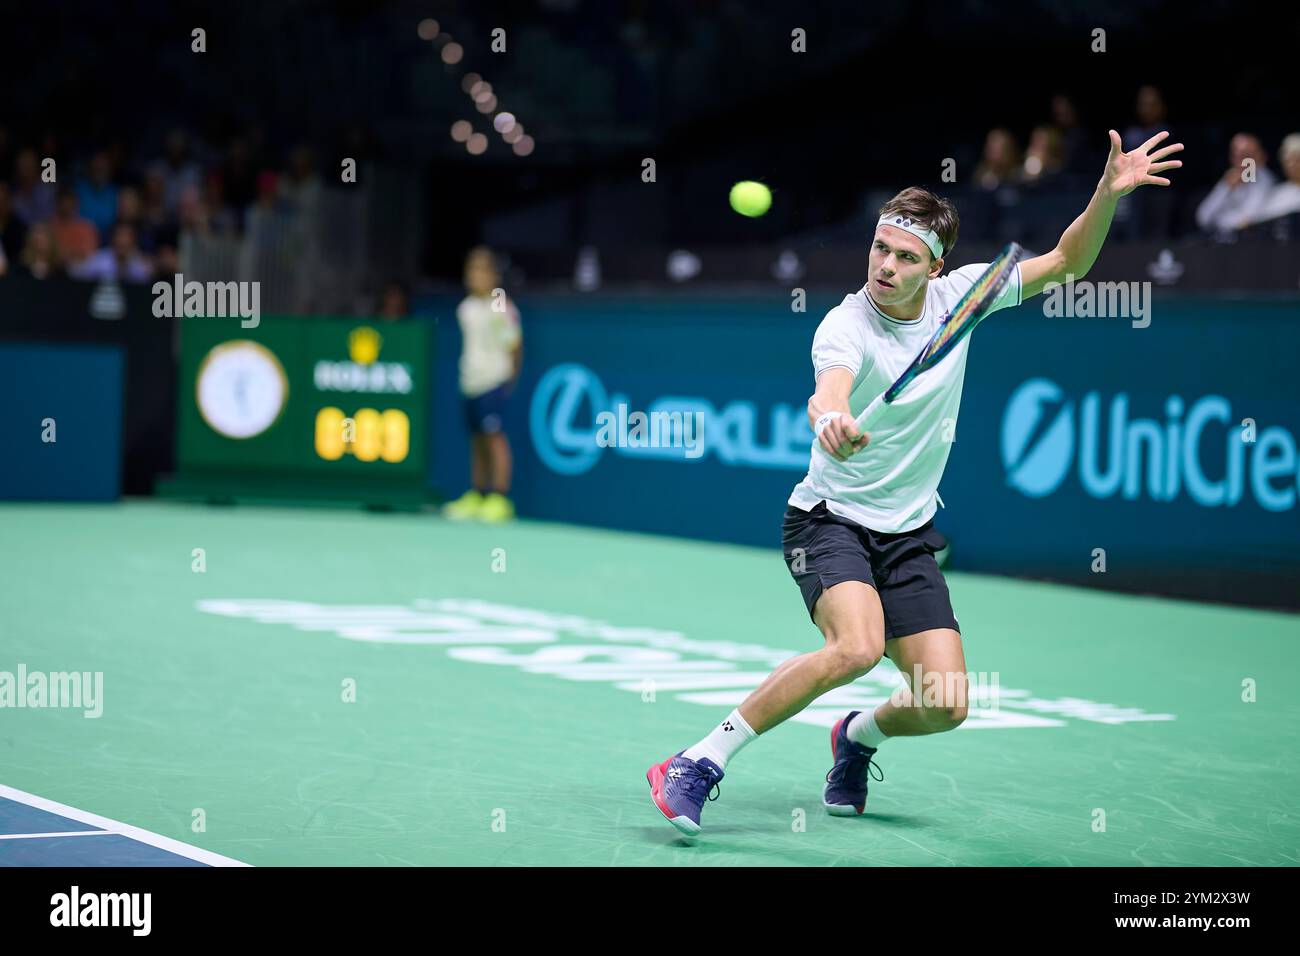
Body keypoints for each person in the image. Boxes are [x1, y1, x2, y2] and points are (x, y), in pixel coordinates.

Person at [646, 129, 1184, 836]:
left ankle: (857, 738)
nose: (886, 266)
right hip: (828, 521)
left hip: (906, 534)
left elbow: (1066, 263)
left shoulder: (962, 301)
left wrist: (1105, 194)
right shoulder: (846, 325)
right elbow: (827, 390)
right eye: (880, 249)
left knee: (944, 701)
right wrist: (830, 416)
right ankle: (697, 761)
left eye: (905, 257)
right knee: (857, 647)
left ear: (935, 269)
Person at [443, 247, 522, 523]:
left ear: (493, 275)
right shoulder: (465, 308)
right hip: (470, 382)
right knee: (476, 439)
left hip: (493, 380)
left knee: (494, 438)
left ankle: (499, 498)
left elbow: (514, 345)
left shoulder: (501, 305)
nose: (475, 276)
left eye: (481, 270)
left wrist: (508, 379)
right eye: (471, 270)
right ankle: (477, 494)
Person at [1195, 133, 1277, 236]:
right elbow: (1203, 218)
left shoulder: (1265, 178)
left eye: (1247, 155)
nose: (1243, 162)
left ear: (1261, 156)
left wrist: (1222, 221)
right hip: (1222, 240)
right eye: (1237, 156)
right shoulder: (1229, 179)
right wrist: (1225, 188)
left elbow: (1249, 220)